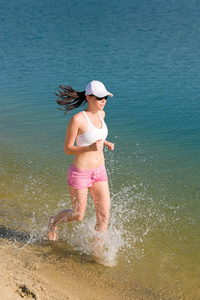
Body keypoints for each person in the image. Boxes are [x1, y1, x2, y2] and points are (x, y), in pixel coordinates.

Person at [47, 80, 114, 261]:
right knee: (78, 216)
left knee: (103, 215)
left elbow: (95, 137)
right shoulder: (78, 119)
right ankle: (53, 223)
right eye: (99, 97)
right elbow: (68, 148)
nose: (103, 100)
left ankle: (95, 256)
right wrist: (90, 148)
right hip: (80, 173)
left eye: (105, 97)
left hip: (100, 171)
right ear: (89, 97)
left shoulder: (102, 114)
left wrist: (104, 143)